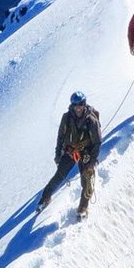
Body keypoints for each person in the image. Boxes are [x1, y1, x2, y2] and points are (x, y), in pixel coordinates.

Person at [36, 90, 102, 218]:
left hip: (86, 152)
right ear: (72, 105)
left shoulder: (91, 121)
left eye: (81, 104)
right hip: (71, 150)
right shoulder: (66, 118)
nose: (78, 107)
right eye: (75, 104)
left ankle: (83, 207)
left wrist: (92, 162)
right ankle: (45, 197)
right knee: (59, 175)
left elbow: (97, 142)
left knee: (87, 180)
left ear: (84, 104)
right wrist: (58, 154)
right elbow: (60, 137)